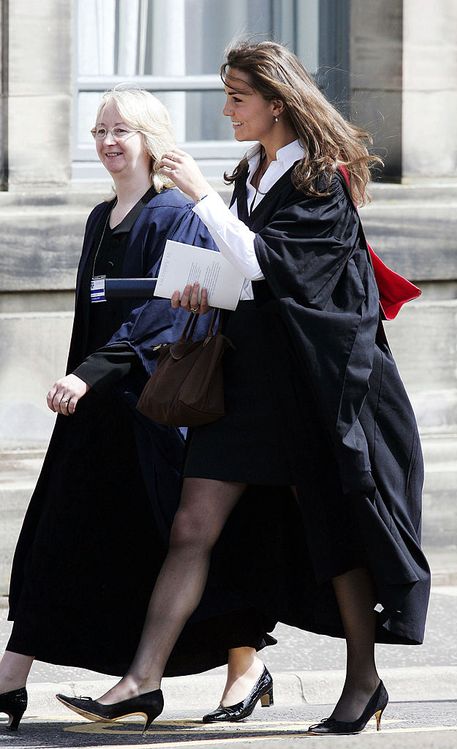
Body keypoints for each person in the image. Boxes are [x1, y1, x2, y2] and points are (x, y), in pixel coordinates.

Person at [57, 42, 431, 736]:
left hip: (311, 388)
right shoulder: (252, 173)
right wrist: (202, 288)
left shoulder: (321, 180)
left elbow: (276, 266)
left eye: (237, 98)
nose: (226, 109)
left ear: (276, 104)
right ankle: (139, 681)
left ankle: (362, 680)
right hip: (246, 380)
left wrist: (200, 194)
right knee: (191, 525)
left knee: (331, 532)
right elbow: (243, 270)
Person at [0, 87, 276, 733]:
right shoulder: (102, 218)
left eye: (120, 129)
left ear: (151, 137)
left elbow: (157, 318)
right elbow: (91, 315)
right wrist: (82, 382)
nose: (106, 142)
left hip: (149, 409)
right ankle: (12, 677)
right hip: (94, 412)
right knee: (55, 537)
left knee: (172, 542)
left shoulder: (174, 213)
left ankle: (244, 662)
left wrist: (88, 374)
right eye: (98, 130)